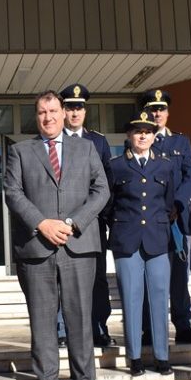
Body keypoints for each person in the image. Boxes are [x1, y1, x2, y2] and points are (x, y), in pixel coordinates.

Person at [4, 91, 110, 380]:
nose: (47, 117)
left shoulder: (86, 147)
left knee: (80, 319)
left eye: (53, 111)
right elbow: (12, 192)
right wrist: (42, 224)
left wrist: (73, 223)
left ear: (64, 113)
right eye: (41, 112)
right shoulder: (20, 151)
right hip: (38, 248)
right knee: (43, 321)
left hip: (78, 245)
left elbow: (101, 190)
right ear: (35, 117)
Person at [107, 112, 179, 377]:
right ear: (129, 135)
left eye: (147, 131)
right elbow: (108, 204)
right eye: (137, 131)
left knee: (160, 298)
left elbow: (169, 202)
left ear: (154, 135)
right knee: (131, 298)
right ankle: (135, 356)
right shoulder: (116, 166)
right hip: (127, 239)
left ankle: (162, 356)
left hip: (158, 239)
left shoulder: (165, 165)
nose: (143, 136)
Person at [139, 89, 191, 345]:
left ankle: (183, 325)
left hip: (176, 219)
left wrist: (179, 203)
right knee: (149, 277)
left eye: (161, 109)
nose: (157, 114)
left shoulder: (180, 142)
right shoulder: (141, 139)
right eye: (153, 109)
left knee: (179, 276)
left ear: (167, 112)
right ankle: (148, 329)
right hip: (151, 219)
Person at [60, 83, 115, 348]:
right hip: (61, 224)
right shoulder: (54, 140)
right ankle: (62, 330)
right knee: (61, 278)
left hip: (92, 223)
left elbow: (106, 182)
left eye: (79, 107)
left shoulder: (97, 141)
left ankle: (98, 327)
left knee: (97, 279)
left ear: (85, 110)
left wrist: (102, 216)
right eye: (70, 107)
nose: (74, 113)